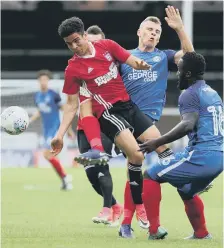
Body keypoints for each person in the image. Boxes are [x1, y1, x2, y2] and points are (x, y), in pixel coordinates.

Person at [75, 6, 194, 237]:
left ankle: (129, 221)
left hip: (146, 121)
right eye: (149, 29)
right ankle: (178, 192)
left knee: (142, 166)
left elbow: (190, 59)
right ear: (139, 32)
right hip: (125, 119)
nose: (153, 34)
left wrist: (180, 29)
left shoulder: (164, 56)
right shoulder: (123, 57)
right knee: (160, 157)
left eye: (157, 32)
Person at [51, 16, 169, 231]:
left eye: (77, 40)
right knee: (137, 155)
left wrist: (139, 64)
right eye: (69, 44)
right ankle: (137, 206)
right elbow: (70, 105)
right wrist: (59, 134)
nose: (74, 47)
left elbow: (128, 58)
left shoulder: (107, 46)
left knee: (164, 149)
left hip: (129, 107)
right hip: (107, 113)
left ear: (85, 35)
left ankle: (191, 181)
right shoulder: (73, 69)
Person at [139, 52, 223, 240]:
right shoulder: (212, 93)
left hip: (202, 156)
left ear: (187, 74)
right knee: (186, 189)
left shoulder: (189, 94)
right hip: (219, 156)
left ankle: (153, 230)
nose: (177, 73)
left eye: (179, 69)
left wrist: (157, 142)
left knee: (150, 174)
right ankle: (201, 233)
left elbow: (187, 124)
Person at [77, 25, 123, 226]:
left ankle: (106, 209)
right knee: (90, 172)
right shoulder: (78, 65)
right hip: (83, 124)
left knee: (101, 164)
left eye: (98, 42)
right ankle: (115, 205)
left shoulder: (113, 66)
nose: (94, 45)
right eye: (91, 41)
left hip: (105, 121)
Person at [30, 70, 74, 190]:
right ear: (38, 81)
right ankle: (65, 181)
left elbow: (64, 110)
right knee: (52, 156)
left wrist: (68, 129)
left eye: (45, 79)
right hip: (46, 130)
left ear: (48, 81)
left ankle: (65, 177)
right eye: (41, 80)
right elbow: (40, 111)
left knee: (47, 154)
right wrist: (29, 121)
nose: (43, 82)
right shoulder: (37, 96)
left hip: (55, 129)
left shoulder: (53, 94)